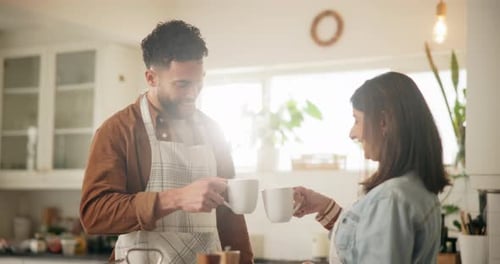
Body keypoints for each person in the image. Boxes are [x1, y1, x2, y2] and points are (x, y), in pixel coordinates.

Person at [80, 20, 253, 263]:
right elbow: (94, 214)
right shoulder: (118, 130)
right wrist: (177, 198)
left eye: (198, 81)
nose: (193, 93)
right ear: (151, 78)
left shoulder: (213, 130)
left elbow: (230, 216)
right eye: (182, 84)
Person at [293, 72, 449, 263]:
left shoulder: (390, 199)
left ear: (383, 122)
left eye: (357, 120)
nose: (352, 133)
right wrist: (323, 206)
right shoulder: (416, 189)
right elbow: (363, 241)